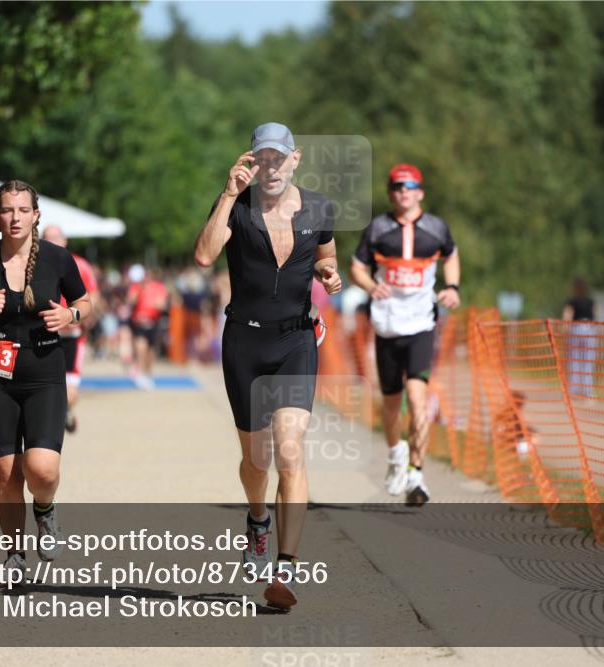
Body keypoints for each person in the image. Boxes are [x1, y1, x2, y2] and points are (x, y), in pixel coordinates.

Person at [193, 122, 341, 611]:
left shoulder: (319, 208)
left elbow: (326, 255)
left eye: (279, 157)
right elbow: (203, 255)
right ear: (253, 162)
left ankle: (286, 568)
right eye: (263, 158)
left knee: (290, 450)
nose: (271, 165)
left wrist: (328, 273)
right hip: (245, 343)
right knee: (256, 460)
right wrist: (226, 193)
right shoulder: (236, 206)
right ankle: (257, 519)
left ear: (295, 158)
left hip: (296, 340)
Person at [0, 180, 92, 581]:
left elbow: (86, 302)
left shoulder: (58, 259)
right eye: (7, 210)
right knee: (7, 475)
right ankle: (14, 554)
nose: (15, 218)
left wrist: (71, 317)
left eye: (23, 210)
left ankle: (45, 510)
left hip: (45, 370)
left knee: (41, 470)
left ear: (36, 215)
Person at [350, 163, 460, 507]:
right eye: (397, 186)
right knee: (392, 404)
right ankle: (397, 456)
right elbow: (357, 267)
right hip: (387, 324)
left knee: (418, 400)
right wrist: (371, 285)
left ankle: (416, 473)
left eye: (410, 186)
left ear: (421, 192)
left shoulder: (436, 228)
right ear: (390, 193)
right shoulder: (378, 228)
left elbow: (452, 256)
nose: (404, 192)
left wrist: (453, 287)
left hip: (421, 324)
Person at [42, 224, 101, 433]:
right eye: (47, 238)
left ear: (65, 240)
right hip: (44, 333)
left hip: (73, 336)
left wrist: (82, 315)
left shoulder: (80, 265)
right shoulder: (33, 264)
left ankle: (64, 411)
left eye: (56, 237)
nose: (52, 242)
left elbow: (92, 295)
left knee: (70, 390)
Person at [126, 263, 168, 391]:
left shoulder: (159, 287)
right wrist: (139, 292)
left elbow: (162, 304)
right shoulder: (136, 287)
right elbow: (130, 301)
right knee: (141, 347)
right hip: (139, 322)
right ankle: (140, 373)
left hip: (153, 322)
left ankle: (148, 374)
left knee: (150, 351)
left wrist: (158, 305)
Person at [562, 277, 597, 399]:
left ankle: (584, 390)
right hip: (582, 328)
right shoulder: (574, 302)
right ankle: (578, 389)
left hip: (582, 329)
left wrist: (565, 331)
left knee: (581, 360)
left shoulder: (587, 301)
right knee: (578, 360)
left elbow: (567, 317)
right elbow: (568, 316)